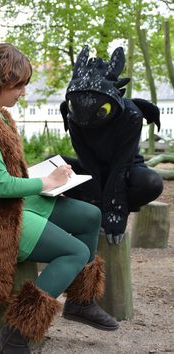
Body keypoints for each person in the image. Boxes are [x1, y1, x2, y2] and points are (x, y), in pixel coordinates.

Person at [0, 43, 118, 354]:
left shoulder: (0, 117)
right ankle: (13, 337)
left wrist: (50, 177)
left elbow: (8, 177)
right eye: (19, 85)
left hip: (9, 202)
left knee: (90, 216)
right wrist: (45, 181)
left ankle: (81, 302)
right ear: (0, 81)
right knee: (74, 252)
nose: (23, 92)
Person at [59, 46, 163, 245]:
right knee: (52, 165)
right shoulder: (74, 116)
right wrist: (95, 207)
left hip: (127, 169)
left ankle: (109, 206)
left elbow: (121, 165)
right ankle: (87, 209)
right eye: (75, 109)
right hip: (90, 171)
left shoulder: (132, 115)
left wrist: (115, 211)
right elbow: (87, 162)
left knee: (152, 182)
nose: (84, 121)